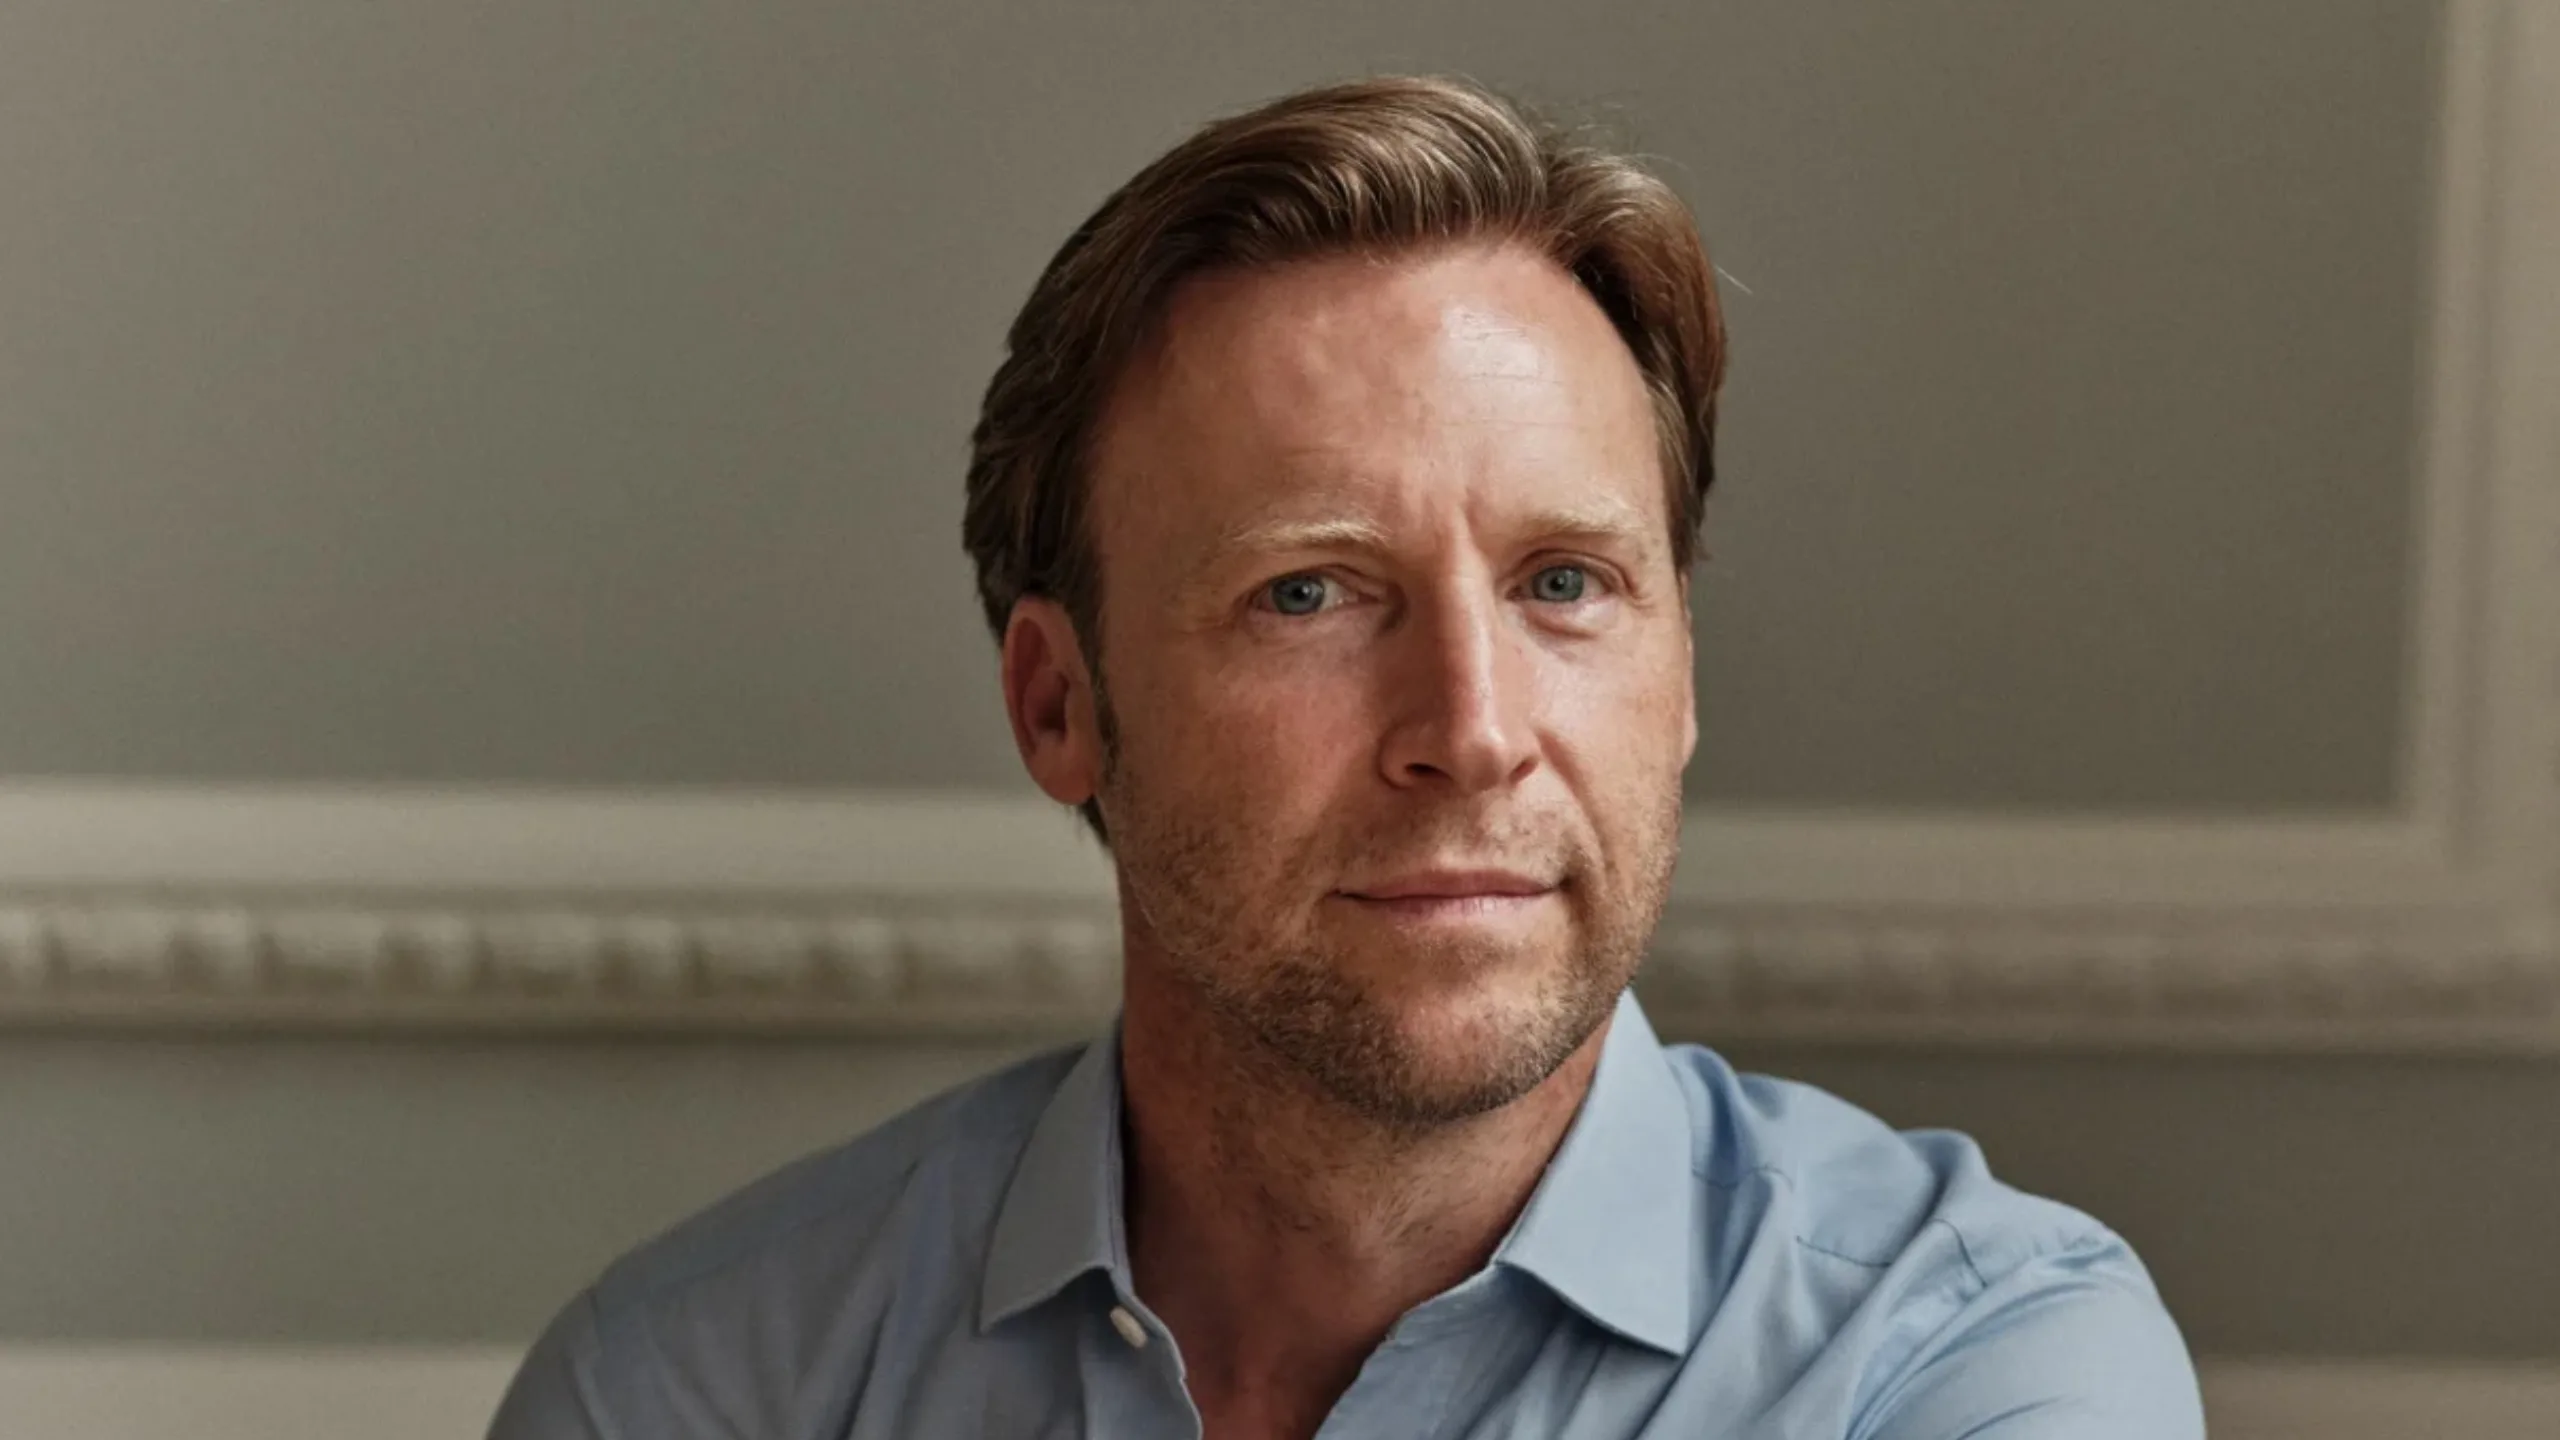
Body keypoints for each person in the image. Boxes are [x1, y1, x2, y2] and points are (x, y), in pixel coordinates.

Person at [489, 75, 2204, 1440]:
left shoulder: (1971, 1367)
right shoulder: (696, 1389)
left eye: (1565, 585)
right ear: (1057, 707)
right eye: (1310, 592)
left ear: (1680, 676)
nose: (1471, 728)